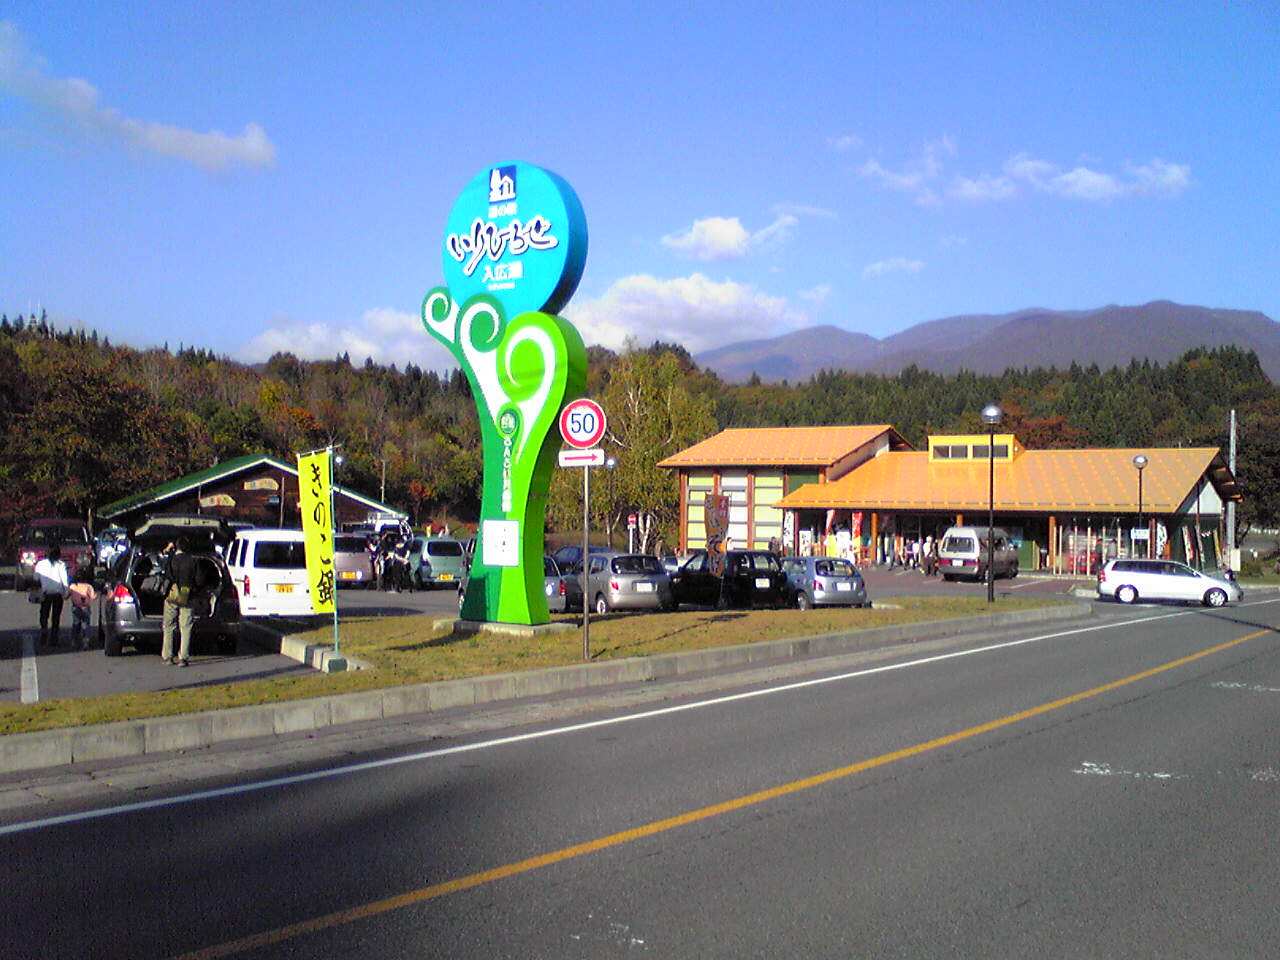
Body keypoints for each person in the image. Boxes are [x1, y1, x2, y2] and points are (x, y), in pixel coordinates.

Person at [161, 536, 201, 667]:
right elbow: (199, 580)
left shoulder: (171, 560)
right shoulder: (193, 561)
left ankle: (167, 656)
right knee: (186, 626)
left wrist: (168, 550)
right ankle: (183, 657)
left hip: (172, 594)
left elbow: (163, 571)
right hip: (187, 595)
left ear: (176, 547)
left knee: (169, 625)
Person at [33, 544, 70, 646]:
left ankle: (44, 630)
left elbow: (36, 578)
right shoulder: (61, 564)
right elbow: (64, 579)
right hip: (57, 593)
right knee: (56, 615)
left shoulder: (40, 564)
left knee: (44, 613)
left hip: (45, 593)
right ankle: (54, 636)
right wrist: (66, 591)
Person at [67, 574, 97, 650]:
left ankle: (74, 641)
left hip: (76, 606)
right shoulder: (88, 586)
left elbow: (66, 596)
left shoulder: (73, 586)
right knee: (85, 624)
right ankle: (85, 641)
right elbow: (92, 596)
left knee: (76, 623)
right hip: (85, 607)